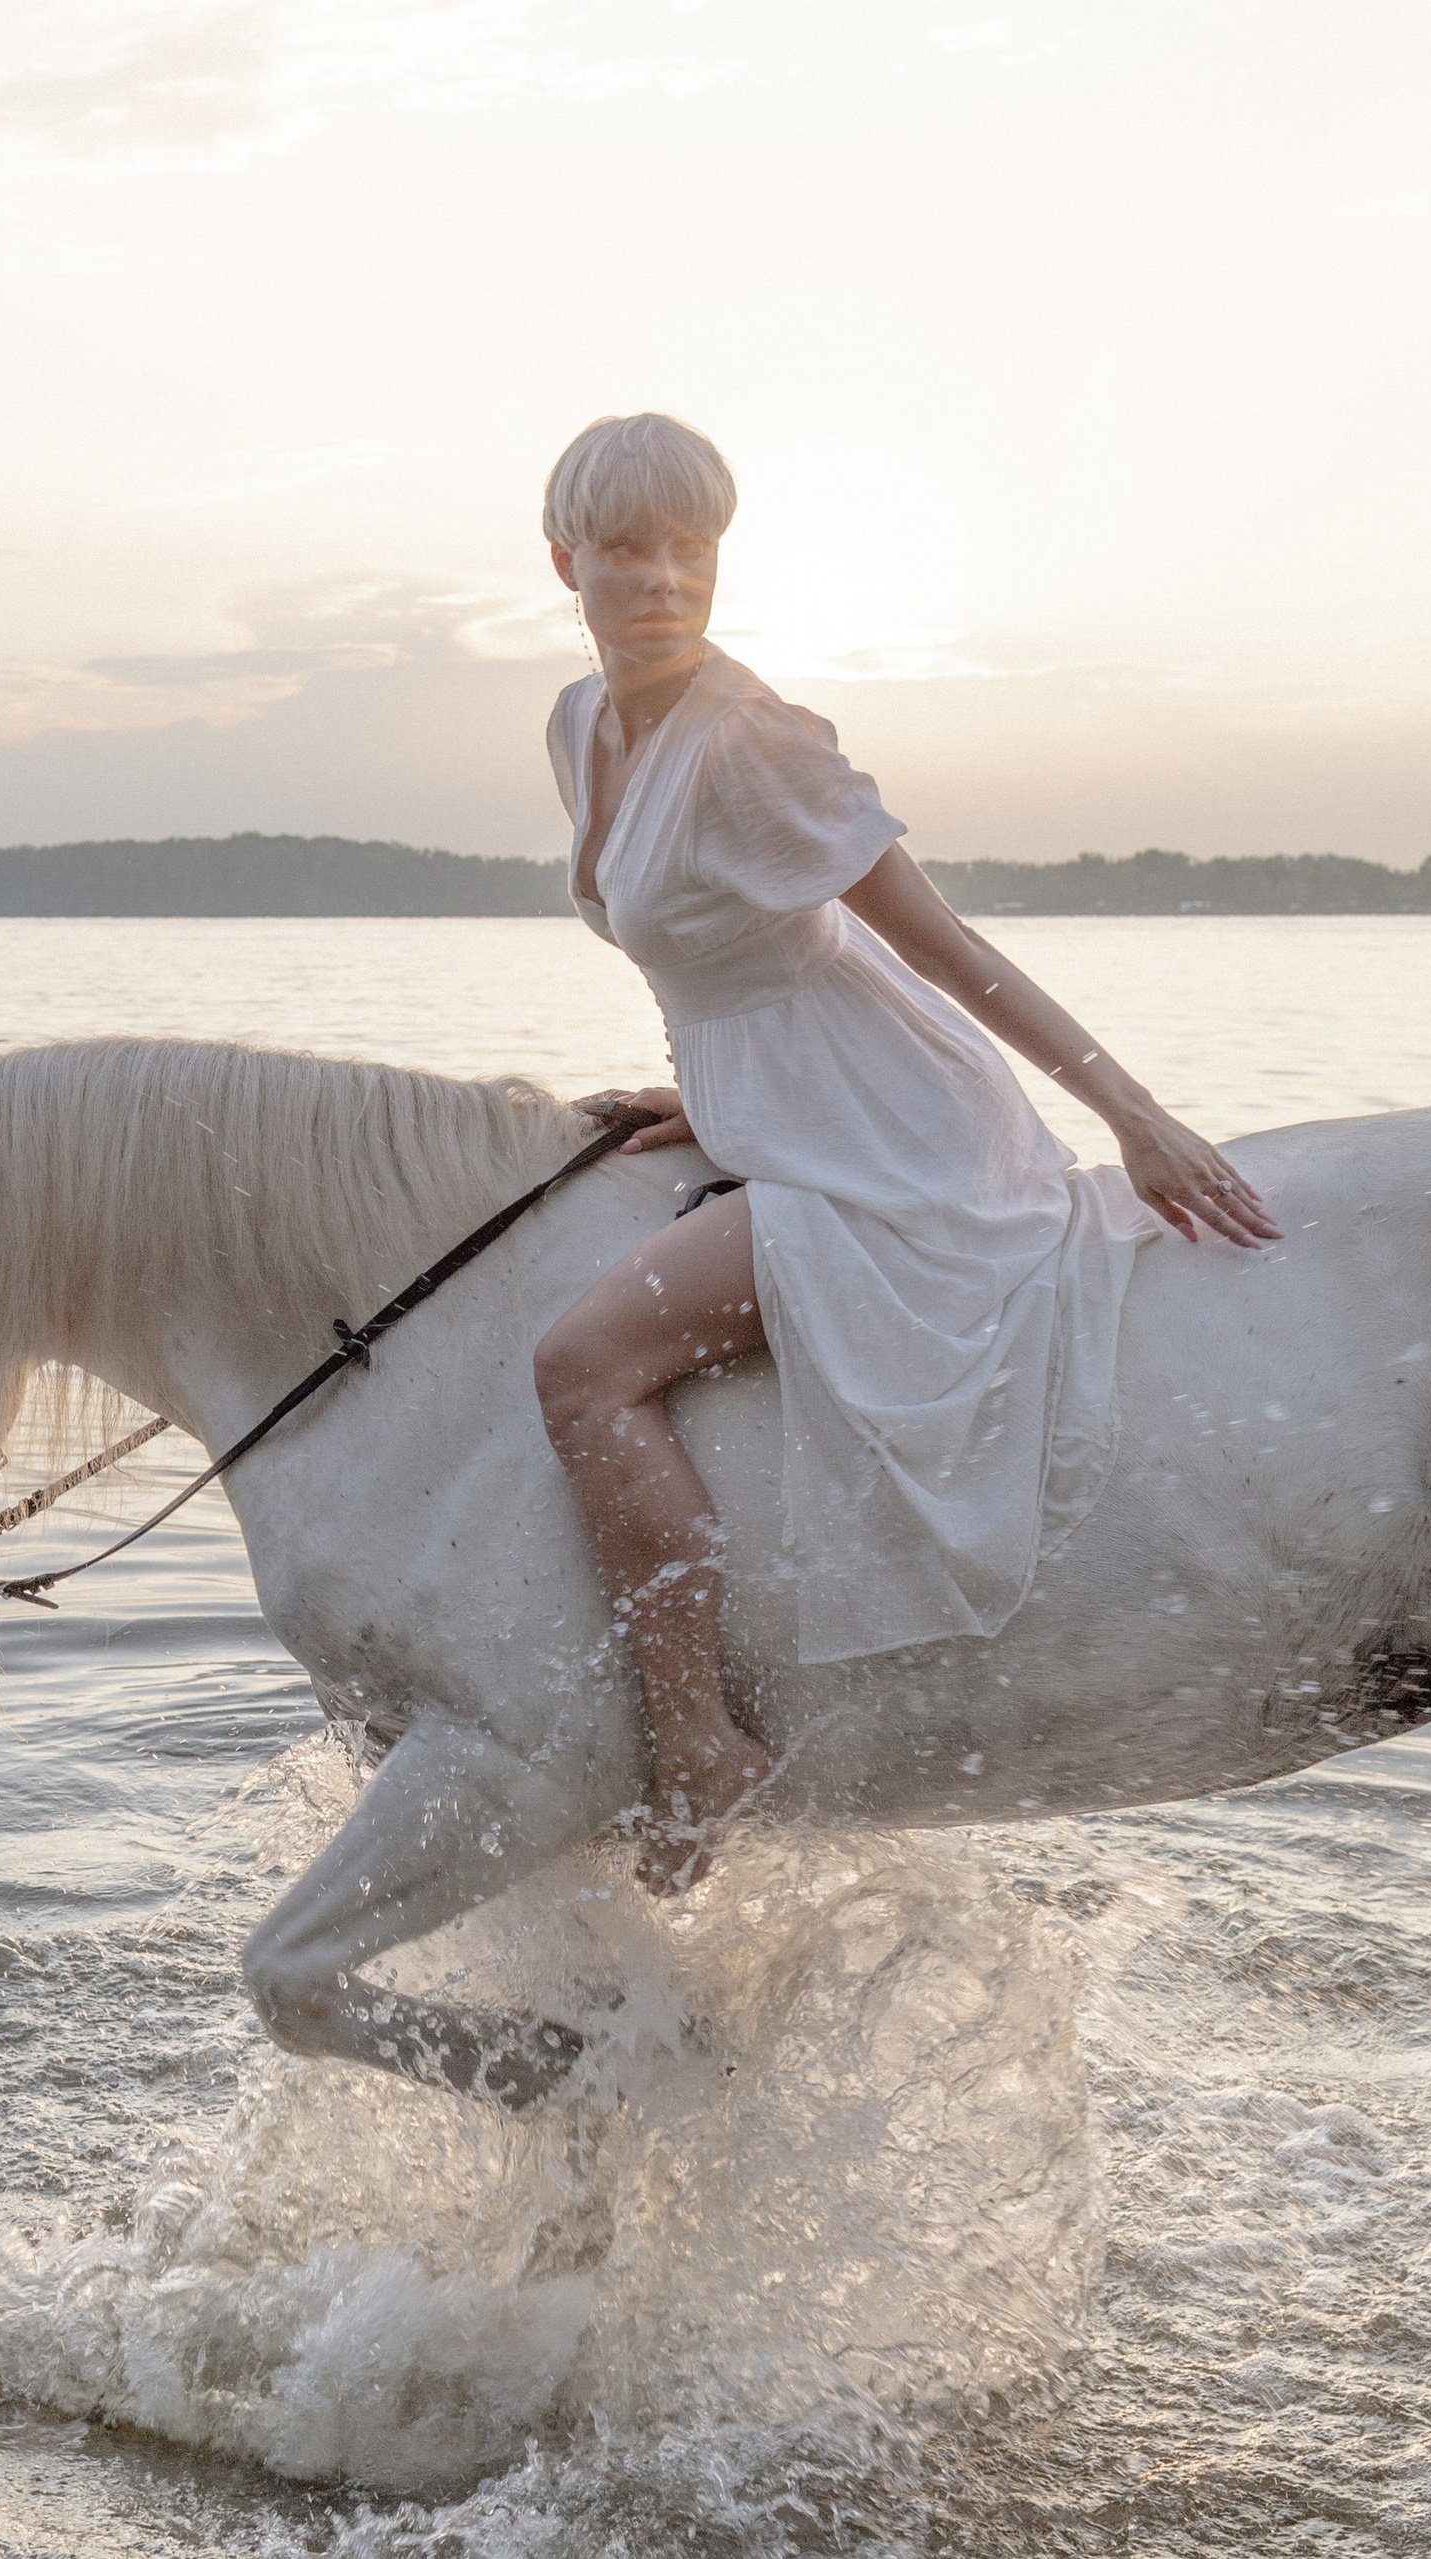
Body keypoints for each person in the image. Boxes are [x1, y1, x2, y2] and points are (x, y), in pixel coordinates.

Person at [531, 411, 1281, 1892]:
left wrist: (1133, 1116)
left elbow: (945, 953)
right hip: (792, 1111)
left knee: (578, 1365)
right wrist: (713, 1103)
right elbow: (719, 959)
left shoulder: (757, 741)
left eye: (696, 547)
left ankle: (699, 1740)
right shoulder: (578, 726)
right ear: (566, 561)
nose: (667, 577)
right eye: (630, 548)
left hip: (898, 1148)